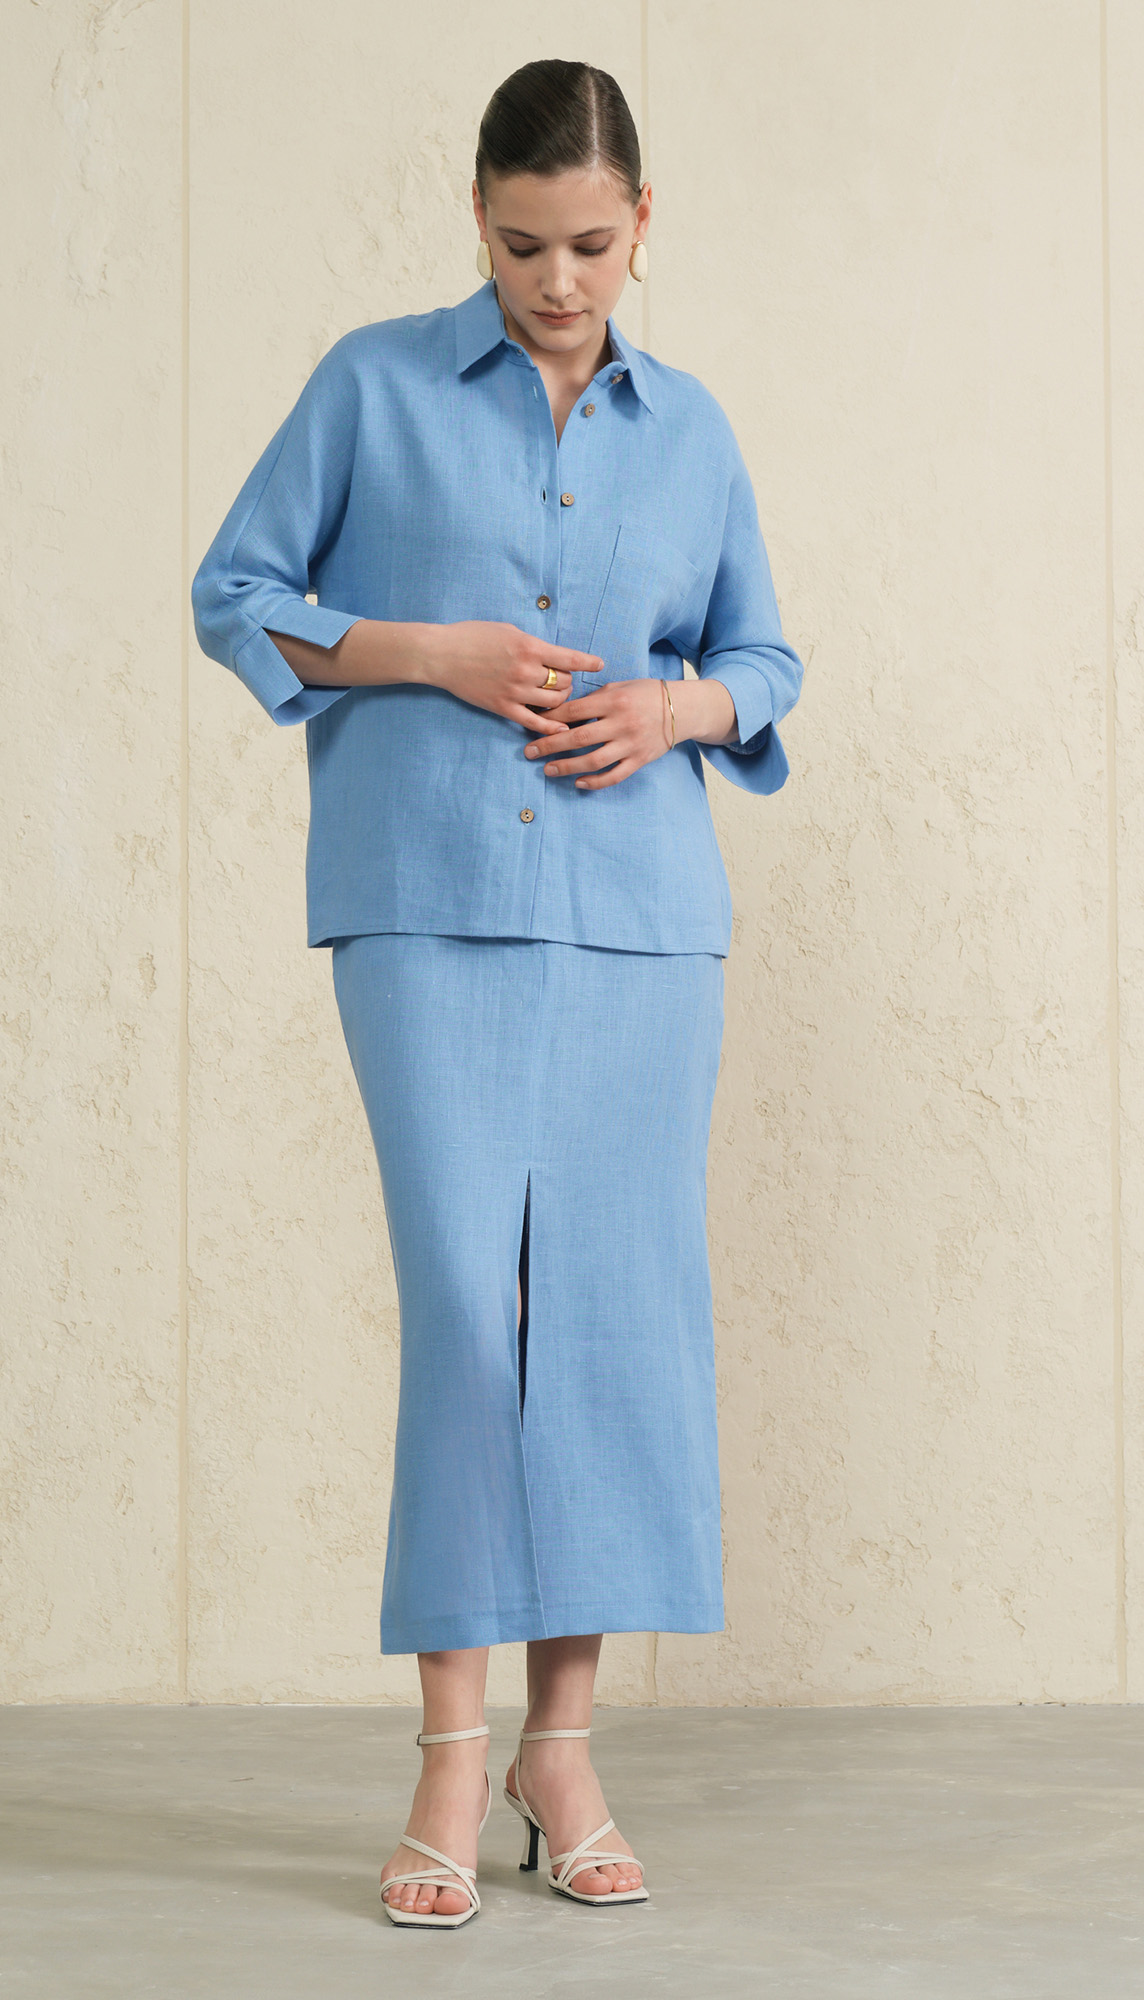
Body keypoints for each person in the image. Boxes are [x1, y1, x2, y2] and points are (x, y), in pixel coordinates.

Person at [192, 57, 803, 1930]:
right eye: (526, 244)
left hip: (639, 924)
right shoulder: (371, 386)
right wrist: (427, 654)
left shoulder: (692, 431)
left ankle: (564, 1750)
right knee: (477, 1307)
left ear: (644, 227)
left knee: (601, 1319)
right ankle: (450, 1755)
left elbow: (765, 659)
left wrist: (675, 708)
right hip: (426, 902)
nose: (558, 282)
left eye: (593, 247)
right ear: (477, 216)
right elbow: (238, 594)